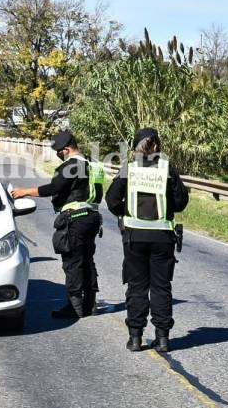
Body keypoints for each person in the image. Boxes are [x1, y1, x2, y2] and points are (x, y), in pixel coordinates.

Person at [105, 127, 189, 352]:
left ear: (136, 147)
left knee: (137, 287)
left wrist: (125, 212)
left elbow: (111, 200)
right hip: (163, 238)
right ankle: (162, 339)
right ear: (157, 146)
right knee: (161, 287)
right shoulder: (167, 170)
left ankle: (135, 338)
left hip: (134, 238)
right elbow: (181, 202)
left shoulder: (129, 170)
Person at [12, 130, 104, 318]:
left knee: (72, 262)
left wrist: (25, 192)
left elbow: (54, 188)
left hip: (75, 218)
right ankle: (90, 304)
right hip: (93, 217)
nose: (58, 154)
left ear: (67, 149)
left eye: (59, 150)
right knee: (87, 260)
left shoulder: (72, 166)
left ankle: (74, 306)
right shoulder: (93, 165)